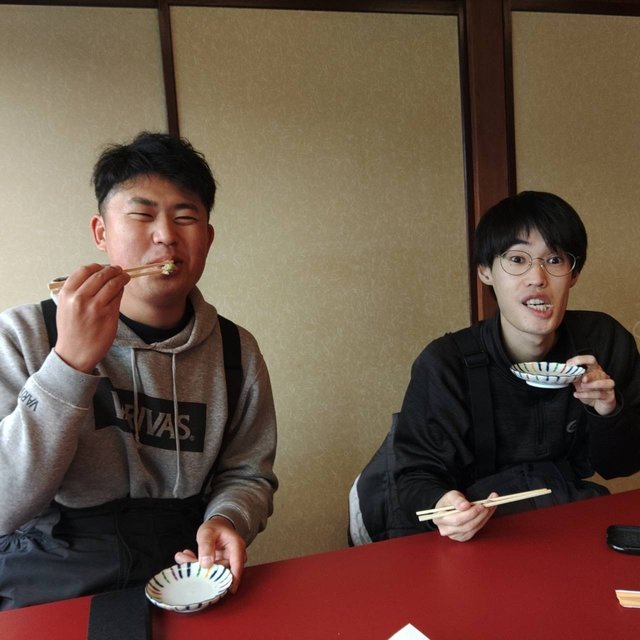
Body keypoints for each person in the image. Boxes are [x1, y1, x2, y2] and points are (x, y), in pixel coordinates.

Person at [0, 132, 278, 609]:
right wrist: (69, 364)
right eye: (143, 215)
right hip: (46, 580)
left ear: (208, 239)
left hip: (180, 573)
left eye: (185, 217)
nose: (166, 235)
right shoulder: (25, 334)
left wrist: (228, 519)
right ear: (101, 232)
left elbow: (247, 473)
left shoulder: (236, 352)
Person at [392, 190, 640, 543]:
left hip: (563, 518)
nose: (537, 277)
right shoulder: (447, 363)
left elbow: (622, 466)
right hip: (474, 532)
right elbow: (414, 476)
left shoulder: (603, 341)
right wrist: (444, 505)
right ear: (485, 271)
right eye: (517, 259)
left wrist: (608, 412)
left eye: (554, 259)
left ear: (573, 274)